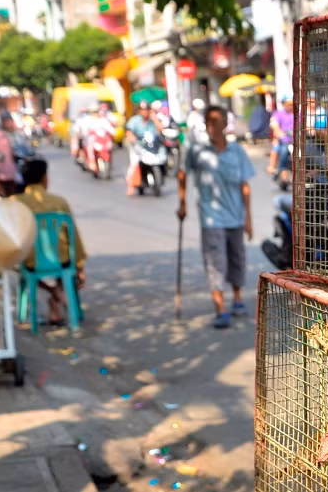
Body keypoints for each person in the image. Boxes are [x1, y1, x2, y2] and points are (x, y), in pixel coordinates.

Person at [177, 104, 255, 329]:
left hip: (235, 216)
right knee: (215, 261)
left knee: (236, 259)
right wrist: (182, 203)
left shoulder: (237, 151)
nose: (212, 127)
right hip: (210, 218)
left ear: (224, 125)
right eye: (208, 122)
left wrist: (248, 218)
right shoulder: (196, 150)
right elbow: (182, 173)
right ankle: (220, 307)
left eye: (216, 122)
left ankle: (237, 299)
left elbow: (245, 186)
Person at [12, 158, 87, 325]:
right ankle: (58, 295)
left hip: (30, 261)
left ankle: (55, 298)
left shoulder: (15, 203)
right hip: (62, 260)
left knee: (18, 266)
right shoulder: (59, 202)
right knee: (63, 263)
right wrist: (80, 264)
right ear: (44, 178)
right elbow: (73, 236)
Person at [126, 101, 164, 196]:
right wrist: (131, 138)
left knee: (162, 158)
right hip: (138, 146)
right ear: (140, 111)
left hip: (151, 146)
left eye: (147, 110)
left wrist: (154, 118)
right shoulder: (135, 121)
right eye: (143, 110)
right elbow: (129, 131)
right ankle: (130, 186)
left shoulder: (152, 120)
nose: (145, 112)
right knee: (134, 164)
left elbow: (161, 129)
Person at [267, 94, 295, 176]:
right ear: (284, 104)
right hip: (284, 141)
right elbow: (274, 124)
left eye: (292, 104)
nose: (290, 106)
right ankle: (273, 167)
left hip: (296, 141)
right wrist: (279, 132)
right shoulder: (278, 114)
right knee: (279, 149)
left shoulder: (299, 114)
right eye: (288, 104)